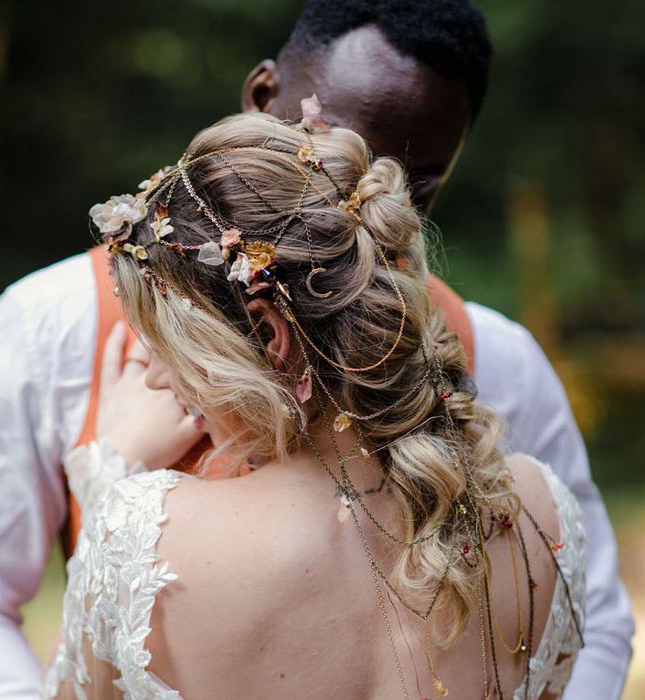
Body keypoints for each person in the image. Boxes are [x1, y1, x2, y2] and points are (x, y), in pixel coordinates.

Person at [0, 1, 632, 698]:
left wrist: (108, 489)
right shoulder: (47, 323)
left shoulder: (501, 359)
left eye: (409, 183)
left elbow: (593, 618)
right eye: (324, 152)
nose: (346, 209)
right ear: (261, 95)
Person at [46, 111, 587, 699]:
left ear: (268, 335)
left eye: (170, 345)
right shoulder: (540, 510)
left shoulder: (145, 537)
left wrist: (109, 477)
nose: (152, 377)